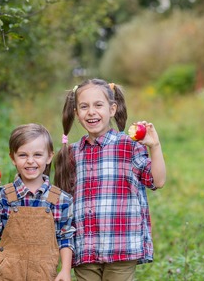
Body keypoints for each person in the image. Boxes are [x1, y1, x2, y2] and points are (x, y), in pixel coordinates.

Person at [54, 79, 166, 281]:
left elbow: (157, 181)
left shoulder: (129, 146)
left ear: (112, 109)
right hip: (85, 248)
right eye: (84, 106)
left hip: (121, 245)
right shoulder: (72, 152)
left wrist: (154, 146)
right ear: (76, 114)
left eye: (98, 105)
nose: (91, 112)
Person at [0, 123, 75, 281]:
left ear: (49, 157)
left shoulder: (61, 199)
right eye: (23, 155)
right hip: (8, 275)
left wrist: (65, 270)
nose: (30, 161)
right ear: (13, 158)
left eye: (37, 155)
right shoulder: (4, 196)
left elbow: (65, 237)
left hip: (44, 276)